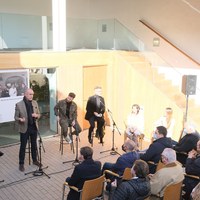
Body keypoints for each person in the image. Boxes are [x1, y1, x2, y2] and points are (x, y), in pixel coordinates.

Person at [14, 88, 41, 172]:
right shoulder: (19, 104)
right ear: (25, 94)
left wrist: (36, 115)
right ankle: (21, 164)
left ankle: (35, 160)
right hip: (24, 129)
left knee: (34, 145)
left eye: (32, 94)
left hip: (34, 127)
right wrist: (20, 119)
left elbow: (39, 114)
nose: (31, 96)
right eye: (30, 94)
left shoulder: (34, 102)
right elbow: (15, 117)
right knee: (23, 146)